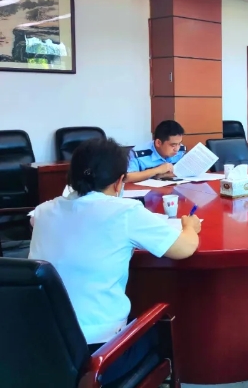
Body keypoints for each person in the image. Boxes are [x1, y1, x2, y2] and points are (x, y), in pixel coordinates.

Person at [29, 137, 201, 385]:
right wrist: (190, 227)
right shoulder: (125, 212)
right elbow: (184, 248)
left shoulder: (43, 211)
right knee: (159, 327)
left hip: (40, 348)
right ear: (120, 181)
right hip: (97, 358)